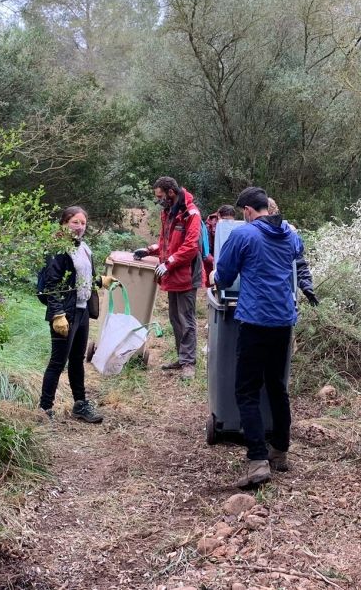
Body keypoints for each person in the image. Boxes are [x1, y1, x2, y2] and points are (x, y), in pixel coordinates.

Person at [213, 187, 307, 489]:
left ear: (247, 212)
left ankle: (257, 460)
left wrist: (217, 279)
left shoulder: (244, 235)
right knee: (277, 387)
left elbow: (224, 275)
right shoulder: (290, 234)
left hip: (255, 321)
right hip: (283, 321)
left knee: (247, 390)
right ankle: (279, 451)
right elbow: (296, 254)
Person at [36, 206, 114, 424]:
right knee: (57, 362)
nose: (80, 227)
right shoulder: (58, 250)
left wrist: (100, 281)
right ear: (64, 223)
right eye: (75, 222)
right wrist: (57, 314)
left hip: (82, 311)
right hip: (65, 313)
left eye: (83, 223)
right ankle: (44, 409)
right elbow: (52, 285)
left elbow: (79, 278)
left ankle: (80, 404)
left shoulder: (84, 248)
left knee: (77, 360)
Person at [133, 177, 203, 380]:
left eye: (160, 196)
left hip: (187, 274)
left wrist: (169, 262)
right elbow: (165, 241)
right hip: (171, 273)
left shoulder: (191, 213)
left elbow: (190, 247)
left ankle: (189, 363)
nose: (159, 200)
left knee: (186, 319)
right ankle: (182, 358)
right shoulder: (168, 212)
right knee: (174, 318)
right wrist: (149, 250)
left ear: (171, 192)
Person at [265, 197, 319, 308]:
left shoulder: (250, 232)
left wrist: (307, 287)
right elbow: (299, 265)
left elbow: (298, 264)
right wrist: (307, 286)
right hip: (282, 297)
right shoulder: (289, 233)